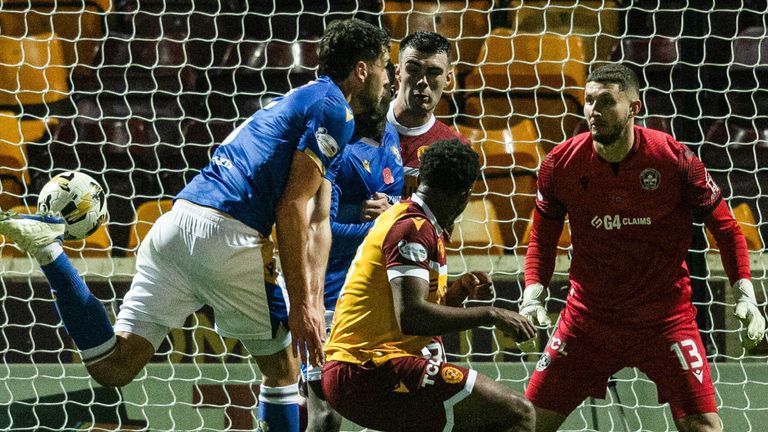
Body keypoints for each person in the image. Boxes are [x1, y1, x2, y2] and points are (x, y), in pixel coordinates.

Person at [0, 18, 391, 432]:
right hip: (227, 236)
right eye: (385, 64)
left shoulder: (296, 101)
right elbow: (292, 205)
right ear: (362, 69)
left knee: (114, 366)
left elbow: (314, 213)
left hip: (175, 223)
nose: (389, 78)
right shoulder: (335, 108)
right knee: (281, 367)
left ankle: (49, 251)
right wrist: (303, 305)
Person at [520, 63, 767, 432]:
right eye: (588, 101)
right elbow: (542, 238)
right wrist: (532, 296)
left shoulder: (675, 160)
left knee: (704, 426)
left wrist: (745, 295)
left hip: (664, 320)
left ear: (634, 108)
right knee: (527, 423)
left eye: (606, 101)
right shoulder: (560, 164)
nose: (594, 111)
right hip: (587, 321)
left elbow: (728, 229)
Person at [321, 139, 537, 432]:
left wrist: (459, 291)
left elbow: (412, 310)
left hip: (364, 368)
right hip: (366, 368)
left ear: (421, 178)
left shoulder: (415, 221)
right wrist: (491, 314)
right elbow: (411, 316)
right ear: (466, 195)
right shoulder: (413, 228)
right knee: (517, 413)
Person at [303, 63, 403, 431]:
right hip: (328, 294)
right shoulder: (336, 150)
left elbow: (388, 207)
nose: (390, 89)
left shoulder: (390, 137)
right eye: (384, 84)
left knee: (397, 403)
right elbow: (320, 229)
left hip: (375, 295)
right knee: (325, 415)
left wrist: (395, 212)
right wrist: (383, 227)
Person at [387, 31, 470, 198]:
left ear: (447, 79)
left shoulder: (454, 148)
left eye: (433, 73)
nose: (422, 81)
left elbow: (445, 219)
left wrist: (394, 210)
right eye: (413, 69)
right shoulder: (360, 126)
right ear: (398, 72)